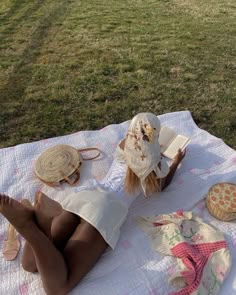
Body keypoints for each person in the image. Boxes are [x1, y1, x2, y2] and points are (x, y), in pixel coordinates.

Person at [0, 113, 186, 295]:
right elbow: (162, 185)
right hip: (106, 209)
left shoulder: (123, 145)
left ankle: (41, 225)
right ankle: (28, 228)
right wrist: (175, 162)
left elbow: (137, 153)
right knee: (58, 287)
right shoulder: (155, 166)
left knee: (29, 265)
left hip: (86, 194)